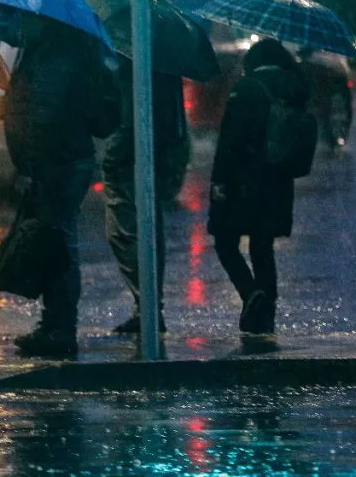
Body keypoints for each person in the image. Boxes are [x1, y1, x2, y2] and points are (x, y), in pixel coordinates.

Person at [8, 19, 121, 357]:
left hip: (56, 162)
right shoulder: (63, 54)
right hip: (61, 160)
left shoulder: (55, 59)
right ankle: (54, 324)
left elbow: (43, 114)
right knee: (54, 241)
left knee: (58, 243)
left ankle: (60, 329)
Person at [209, 39, 311, 335]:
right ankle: (265, 316)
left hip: (244, 182)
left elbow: (229, 142)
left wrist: (219, 182)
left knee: (225, 243)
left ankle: (252, 294)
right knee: (262, 248)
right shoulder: (294, 88)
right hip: (278, 183)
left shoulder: (247, 88)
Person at [103, 58, 191, 333]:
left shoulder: (133, 68)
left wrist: (110, 157)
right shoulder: (166, 67)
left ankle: (147, 308)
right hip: (159, 156)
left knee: (127, 233)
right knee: (149, 231)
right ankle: (150, 308)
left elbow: (130, 122)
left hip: (132, 162)